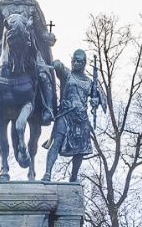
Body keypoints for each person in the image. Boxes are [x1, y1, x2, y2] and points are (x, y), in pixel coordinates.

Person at [42, 49, 102, 182]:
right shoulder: (67, 74)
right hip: (65, 115)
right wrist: (57, 64)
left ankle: (73, 176)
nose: (76, 63)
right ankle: (47, 173)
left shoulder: (89, 82)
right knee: (56, 143)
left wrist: (95, 101)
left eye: (79, 61)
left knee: (80, 151)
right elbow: (58, 66)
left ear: (84, 63)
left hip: (81, 118)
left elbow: (96, 99)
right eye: (74, 60)